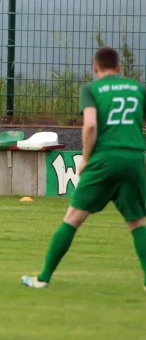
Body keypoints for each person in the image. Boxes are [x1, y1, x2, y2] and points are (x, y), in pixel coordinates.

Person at [22, 47, 146, 290]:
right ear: (119, 68)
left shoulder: (91, 89)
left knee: (73, 218)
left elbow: (90, 126)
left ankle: (43, 278)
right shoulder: (138, 89)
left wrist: (86, 158)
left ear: (95, 68)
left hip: (104, 159)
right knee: (138, 222)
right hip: (134, 158)